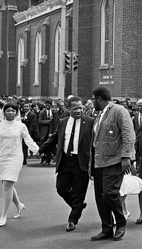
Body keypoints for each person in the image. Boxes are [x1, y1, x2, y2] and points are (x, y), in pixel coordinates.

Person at [38, 96, 94, 232]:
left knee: (78, 193)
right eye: (75, 108)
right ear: (69, 109)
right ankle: (78, 206)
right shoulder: (63, 122)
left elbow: (94, 144)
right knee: (61, 188)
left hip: (81, 162)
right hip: (65, 161)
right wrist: (41, 149)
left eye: (81, 107)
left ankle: (72, 220)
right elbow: (55, 137)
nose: (79, 110)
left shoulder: (91, 122)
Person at [90, 87, 136, 241]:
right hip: (99, 161)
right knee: (100, 197)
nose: (92, 102)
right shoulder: (99, 115)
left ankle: (121, 222)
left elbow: (128, 134)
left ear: (99, 99)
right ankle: (106, 229)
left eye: (93, 99)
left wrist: (126, 156)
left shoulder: (118, 110)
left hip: (115, 160)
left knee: (109, 194)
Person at [0, 103, 39, 227]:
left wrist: (37, 150)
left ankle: (4, 215)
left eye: (13, 111)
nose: (11, 113)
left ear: (17, 112)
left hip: (16, 157)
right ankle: (19, 205)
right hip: (3, 157)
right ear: (4, 112)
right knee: (7, 184)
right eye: (8, 110)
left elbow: (28, 139)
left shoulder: (21, 126)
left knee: (7, 184)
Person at [38, 99, 55, 166]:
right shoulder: (42, 112)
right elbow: (40, 121)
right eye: (46, 105)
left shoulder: (54, 112)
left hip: (51, 132)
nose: (47, 106)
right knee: (42, 145)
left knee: (49, 147)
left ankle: (48, 160)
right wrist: (48, 121)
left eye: (48, 105)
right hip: (44, 132)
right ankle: (43, 158)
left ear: (51, 105)